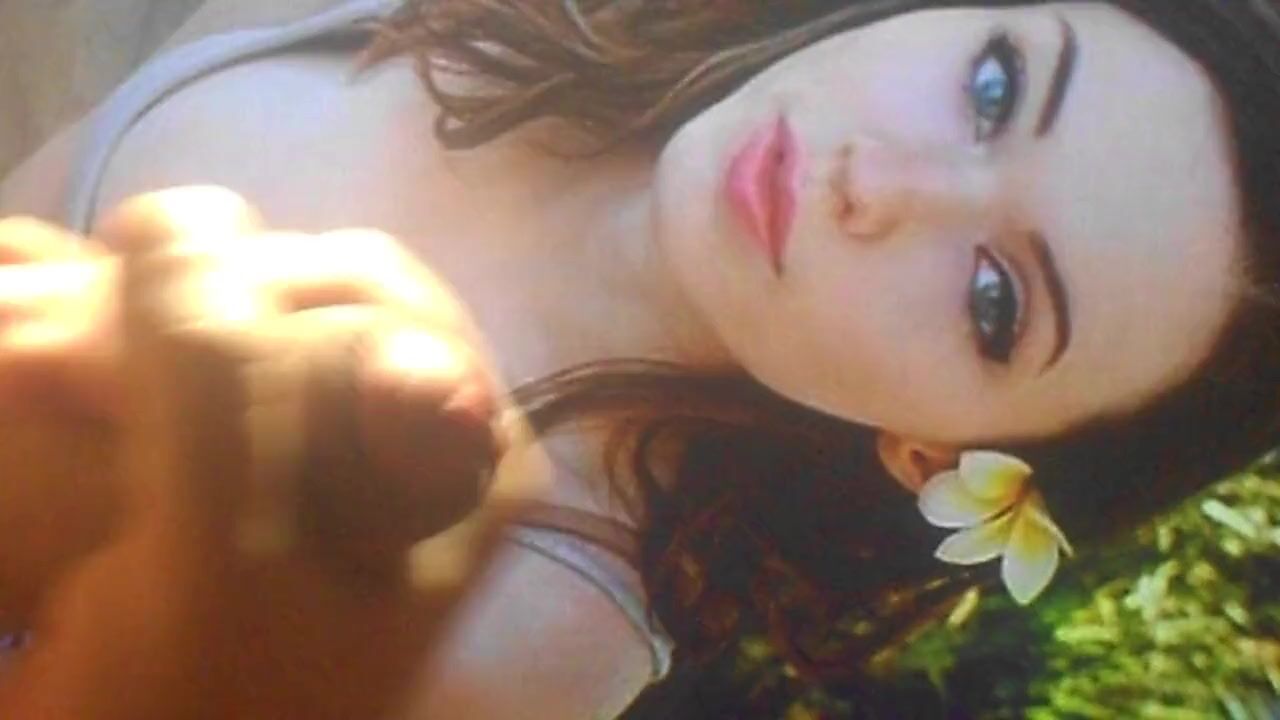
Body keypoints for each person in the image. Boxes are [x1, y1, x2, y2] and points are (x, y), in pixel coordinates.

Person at [2, 0, 1280, 716]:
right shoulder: (526, 21)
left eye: (995, 300)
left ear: (934, 454)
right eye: (994, 87)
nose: (880, 181)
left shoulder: (527, 630)